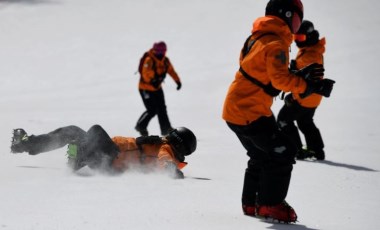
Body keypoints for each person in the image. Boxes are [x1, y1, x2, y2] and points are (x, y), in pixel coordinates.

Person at [222, 0, 335, 223]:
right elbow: (280, 80)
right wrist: (310, 86)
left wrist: (297, 74)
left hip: (238, 108)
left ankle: (251, 202)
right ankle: (270, 204)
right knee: (284, 151)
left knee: (260, 154)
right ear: (285, 15)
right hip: (249, 111)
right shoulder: (276, 43)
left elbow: (260, 69)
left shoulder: (258, 37)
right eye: (295, 19)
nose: (296, 26)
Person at [10, 125, 197, 179]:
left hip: (111, 157)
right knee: (72, 132)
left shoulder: (166, 149)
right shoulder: (165, 147)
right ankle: (26, 144)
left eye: (173, 134)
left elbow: (165, 160)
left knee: (96, 130)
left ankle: (80, 155)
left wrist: (171, 168)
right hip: (108, 155)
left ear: (177, 141)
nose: (168, 134)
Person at [277, 20, 327, 160]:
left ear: (309, 37)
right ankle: (317, 150)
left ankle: (296, 150)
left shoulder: (310, 55)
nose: (298, 41)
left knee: (283, 120)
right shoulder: (311, 49)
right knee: (305, 122)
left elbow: (305, 81)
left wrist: (293, 97)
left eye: (301, 38)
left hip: (304, 97)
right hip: (313, 97)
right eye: (296, 38)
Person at [135, 41, 182, 136]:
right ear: (154, 51)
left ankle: (166, 129)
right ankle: (141, 126)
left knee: (162, 108)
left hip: (157, 88)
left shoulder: (165, 61)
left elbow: (171, 71)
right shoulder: (149, 60)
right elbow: (145, 74)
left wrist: (177, 81)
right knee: (152, 110)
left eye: (162, 52)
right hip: (145, 88)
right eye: (158, 52)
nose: (160, 54)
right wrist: (153, 80)